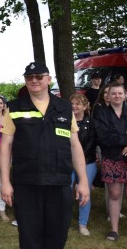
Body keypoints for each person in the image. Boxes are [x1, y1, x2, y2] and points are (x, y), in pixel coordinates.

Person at [0, 62, 89, 249]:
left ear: (48, 79)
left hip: (59, 182)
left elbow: (75, 145)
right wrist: (6, 183)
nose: (34, 81)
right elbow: (6, 146)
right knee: (29, 237)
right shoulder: (15, 107)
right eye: (29, 77)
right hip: (27, 183)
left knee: (57, 236)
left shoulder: (64, 108)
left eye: (39, 76)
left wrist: (82, 181)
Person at [93, 83, 127, 241]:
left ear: (125, 95)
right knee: (115, 193)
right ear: (108, 96)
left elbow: (113, 136)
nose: (117, 96)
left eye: (120, 93)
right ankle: (114, 229)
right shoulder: (101, 113)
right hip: (112, 157)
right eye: (114, 93)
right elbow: (103, 137)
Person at [70, 93, 97, 236]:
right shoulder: (65, 121)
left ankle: (82, 224)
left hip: (87, 162)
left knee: (84, 193)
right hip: (67, 162)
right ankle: (63, 219)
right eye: (72, 103)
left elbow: (91, 144)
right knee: (65, 189)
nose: (74, 106)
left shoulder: (92, 123)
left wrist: (79, 159)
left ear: (85, 106)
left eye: (78, 103)